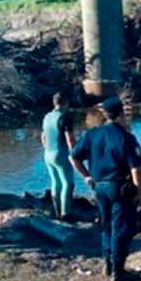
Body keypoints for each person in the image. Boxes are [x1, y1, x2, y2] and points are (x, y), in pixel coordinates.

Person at [69, 97, 141, 281]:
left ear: (104, 114)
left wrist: (87, 176)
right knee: (121, 227)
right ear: (121, 113)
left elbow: (74, 157)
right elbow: (136, 168)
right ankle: (118, 270)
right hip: (119, 188)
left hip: (99, 187)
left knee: (106, 225)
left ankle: (107, 264)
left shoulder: (91, 134)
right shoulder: (126, 137)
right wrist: (140, 193)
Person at [40, 92, 76, 221]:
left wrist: (47, 148)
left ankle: (57, 211)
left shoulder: (47, 116)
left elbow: (43, 136)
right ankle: (66, 213)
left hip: (48, 153)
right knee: (68, 183)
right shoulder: (65, 118)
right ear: (65, 103)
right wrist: (76, 154)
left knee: (55, 182)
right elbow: (70, 140)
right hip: (61, 154)